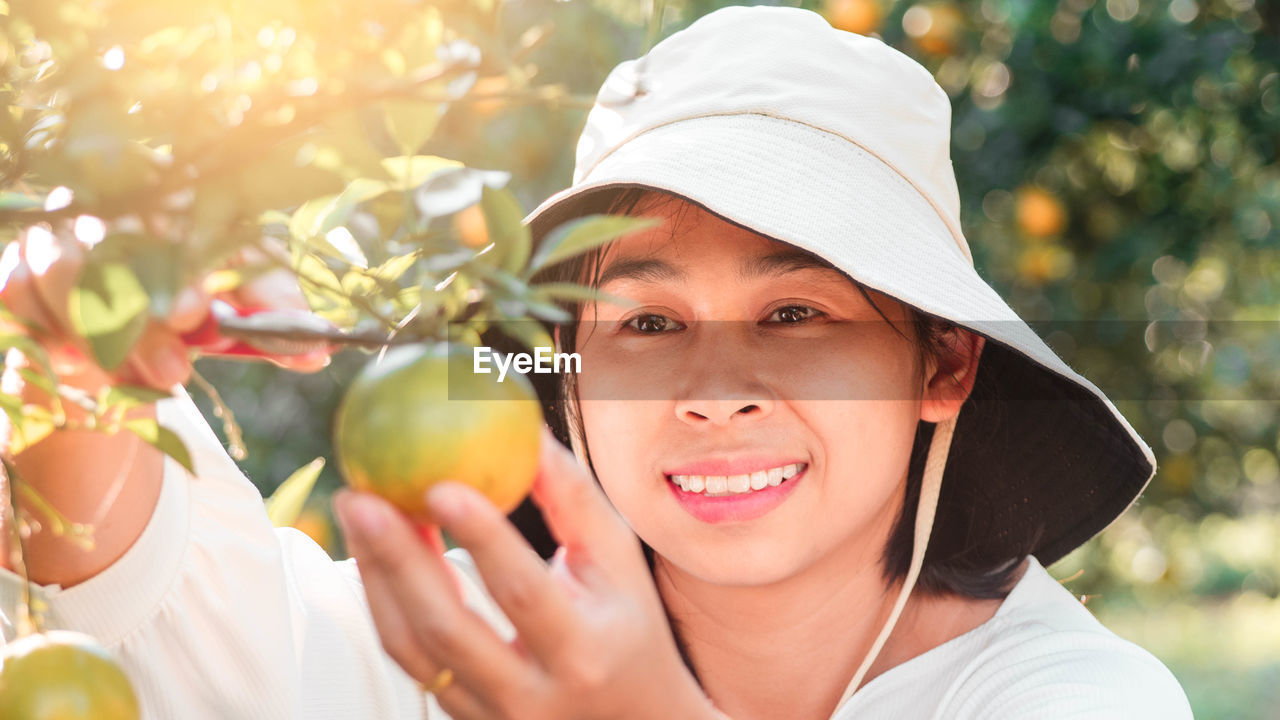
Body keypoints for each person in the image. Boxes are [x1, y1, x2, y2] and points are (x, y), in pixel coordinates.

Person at [0, 6, 1193, 719]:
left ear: (941, 366)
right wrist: (72, 360)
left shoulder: (1071, 700)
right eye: (645, 325)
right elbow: (176, 622)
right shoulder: (479, 650)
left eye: (795, 315)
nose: (716, 390)